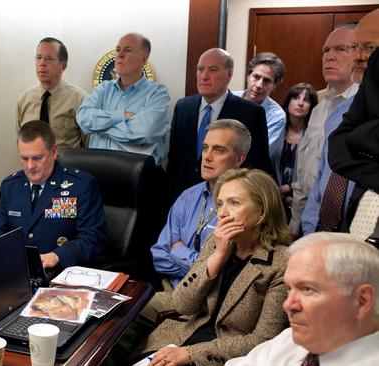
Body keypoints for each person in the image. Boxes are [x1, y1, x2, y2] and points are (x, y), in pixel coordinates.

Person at [142, 169, 290, 366]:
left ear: (261, 212)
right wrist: (217, 257)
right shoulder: (216, 242)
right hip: (182, 335)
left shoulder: (282, 263)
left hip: (227, 357)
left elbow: (264, 340)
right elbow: (183, 305)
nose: (222, 213)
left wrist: (192, 354)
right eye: (220, 204)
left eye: (234, 203)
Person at [147, 120, 250, 317]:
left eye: (219, 150)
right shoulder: (189, 196)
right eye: (205, 148)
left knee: (121, 317)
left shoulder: (244, 206)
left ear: (239, 159)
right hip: (172, 291)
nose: (207, 157)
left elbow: (224, 274)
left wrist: (179, 251)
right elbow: (159, 256)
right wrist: (203, 266)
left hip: (211, 303)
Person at [226, 232, 379, 365]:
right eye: (289, 288)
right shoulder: (291, 340)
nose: (288, 305)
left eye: (307, 289)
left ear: (362, 300)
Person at [0, 120, 105, 269]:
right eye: (24, 158)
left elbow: (92, 237)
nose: (30, 166)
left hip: (62, 272)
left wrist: (57, 256)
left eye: (37, 158)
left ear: (54, 152)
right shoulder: (11, 185)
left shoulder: (80, 186)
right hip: (18, 270)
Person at [167, 48, 273, 201]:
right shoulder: (183, 107)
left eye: (213, 70)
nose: (204, 76)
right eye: (200, 69)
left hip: (228, 200)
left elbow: (257, 166)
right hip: (184, 200)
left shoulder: (251, 113)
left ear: (229, 74)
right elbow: (174, 162)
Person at [290, 23, 358, 236]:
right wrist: (296, 224)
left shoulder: (365, 107)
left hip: (351, 229)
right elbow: (306, 172)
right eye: (326, 50)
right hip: (312, 224)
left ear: (362, 55)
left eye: (341, 49)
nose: (329, 56)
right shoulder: (319, 109)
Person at [76, 32, 170, 166]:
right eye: (118, 49)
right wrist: (121, 116)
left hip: (138, 179)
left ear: (143, 60)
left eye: (128, 50)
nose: (120, 55)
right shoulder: (103, 89)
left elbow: (144, 132)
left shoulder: (157, 93)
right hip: (98, 173)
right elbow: (83, 118)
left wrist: (99, 127)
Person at [329, 11, 379, 242]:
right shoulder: (365, 92)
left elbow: (355, 138)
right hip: (357, 228)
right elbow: (338, 147)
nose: (358, 57)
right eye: (355, 47)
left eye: (369, 47)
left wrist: (362, 135)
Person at [17, 37, 87, 149]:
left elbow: (89, 146)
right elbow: (21, 142)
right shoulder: (25, 99)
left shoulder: (79, 99)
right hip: (33, 165)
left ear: (63, 66)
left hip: (65, 165)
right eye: (38, 58)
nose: (42, 63)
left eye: (49, 58)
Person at [270, 83, 318, 219]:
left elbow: (313, 172)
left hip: (302, 201)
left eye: (306, 100)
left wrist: (289, 189)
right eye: (296, 98)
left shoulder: (314, 136)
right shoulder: (275, 130)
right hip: (271, 197)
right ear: (288, 101)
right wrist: (278, 193)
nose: (301, 103)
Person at [233, 52, 287, 150]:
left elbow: (261, 151)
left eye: (267, 81)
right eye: (256, 77)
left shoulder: (277, 116)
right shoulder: (230, 98)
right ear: (248, 77)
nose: (259, 85)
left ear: (274, 86)